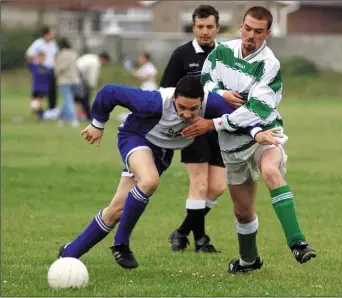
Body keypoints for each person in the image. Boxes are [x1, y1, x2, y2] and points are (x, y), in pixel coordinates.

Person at [57, 76, 280, 270]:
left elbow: (237, 115)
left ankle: (69, 253)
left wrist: (256, 132)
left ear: (202, 101)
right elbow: (110, 92)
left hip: (161, 153)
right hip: (136, 138)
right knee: (150, 180)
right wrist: (98, 123)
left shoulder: (210, 103)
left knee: (117, 209)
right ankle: (121, 243)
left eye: (193, 109)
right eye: (181, 107)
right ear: (174, 98)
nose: (187, 113)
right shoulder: (154, 102)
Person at [181, 6, 316, 273]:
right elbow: (205, 84)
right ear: (240, 25)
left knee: (270, 171)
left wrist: (215, 122)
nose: (250, 36)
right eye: (247, 28)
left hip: (265, 133)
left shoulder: (269, 64)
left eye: (258, 31)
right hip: (232, 144)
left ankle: (298, 242)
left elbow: (256, 109)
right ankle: (248, 261)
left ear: (267, 34)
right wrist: (223, 95)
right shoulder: (220, 53)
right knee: (243, 213)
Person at [160, 4, 224, 253]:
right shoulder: (181, 55)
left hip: (218, 128)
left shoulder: (227, 54)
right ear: (194, 27)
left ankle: (181, 231)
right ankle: (201, 241)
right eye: (200, 27)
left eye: (210, 27)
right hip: (191, 128)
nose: (205, 31)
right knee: (199, 185)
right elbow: (165, 91)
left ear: (217, 28)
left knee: (217, 187)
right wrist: (182, 120)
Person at [26, 26, 59, 120]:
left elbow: (56, 55)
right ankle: (38, 111)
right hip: (40, 71)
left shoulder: (53, 44)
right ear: (47, 34)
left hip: (50, 71)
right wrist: (36, 67)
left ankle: (50, 111)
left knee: (51, 93)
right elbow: (29, 55)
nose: (54, 34)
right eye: (52, 32)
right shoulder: (38, 43)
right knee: (37, 95)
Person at [117, 52, 158, 122]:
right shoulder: (144, 67)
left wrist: (135, 72)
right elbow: (137, 75)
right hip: (145, 87)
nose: (140, 59)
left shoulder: (149, 66)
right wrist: (131, 69)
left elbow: (150, 75)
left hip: (149, 87)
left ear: (145, 58)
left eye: (141, 58)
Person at [75, 52, 111, 121]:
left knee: (78, 97)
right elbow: (92, 77)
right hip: (78, 74)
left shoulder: (92, 57)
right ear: (104, 59)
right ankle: (88, 116)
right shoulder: (96, 62)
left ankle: (82, 115)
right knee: (83, 97)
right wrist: (91, 87)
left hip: (76, 73)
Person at [54, 38, 80, 127]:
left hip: (65, 80)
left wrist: (55, 72)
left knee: (68, 100)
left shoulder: (62, 54)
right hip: (75, 80)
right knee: (68, 100)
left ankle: (74, 119)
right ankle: (62, 119)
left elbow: (59, 68)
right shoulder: (74, 53)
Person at [27, 51, 52, 121]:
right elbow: (28, 61)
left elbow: (51, 77)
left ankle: (40, 116)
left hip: (43, 88)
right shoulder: (34, 66)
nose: (41, 59)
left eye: (42, 57)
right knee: (33, 103)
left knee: (39, 102)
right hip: (35, 87)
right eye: (39, 57)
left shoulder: (47, 68)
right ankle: (40, 114)